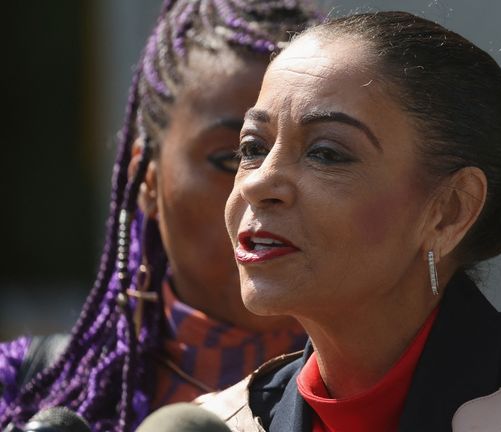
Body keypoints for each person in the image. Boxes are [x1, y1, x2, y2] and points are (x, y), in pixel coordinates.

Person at [206, 11, 501, 431]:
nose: (256, 183)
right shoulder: (217, 424)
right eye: (252, 148)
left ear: (451, 210)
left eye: (327, 154)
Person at [0, 1, 319, 430]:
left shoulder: (418, 393)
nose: (270, 187)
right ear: (146, 180)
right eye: (237, 154)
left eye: (321, 155)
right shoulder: (25, 392)